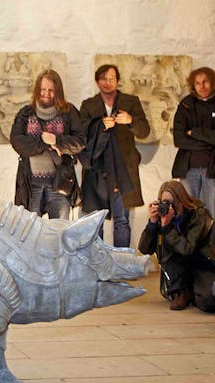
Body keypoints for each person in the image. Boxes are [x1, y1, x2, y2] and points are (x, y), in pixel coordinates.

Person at [80, 64, 150, 247]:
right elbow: (82, 133)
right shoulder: (88, 105)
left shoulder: (131, 101)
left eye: (111, 78)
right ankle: (99, 264)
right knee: (97, 222)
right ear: (97, 82)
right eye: (103, 78)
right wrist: (100, 125)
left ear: (117, 81)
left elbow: (144, 131)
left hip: (123, 170)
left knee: (122, 220)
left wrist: (131, 121)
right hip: (97, 171)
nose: (107, 82)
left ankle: (122, 264)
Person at [10, 69, 85, 219]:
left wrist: (57, 141)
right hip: (31, 184)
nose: (46, 93)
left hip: (60, 184)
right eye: (43, 89)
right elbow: (17, 141)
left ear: (58, 91)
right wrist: (44, 143)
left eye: (51, 90)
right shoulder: (26, 112)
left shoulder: (69, 112)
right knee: (30, 233)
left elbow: (80, 142)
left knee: (58, 232)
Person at [138, 181, 215, 312]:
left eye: (171, 202)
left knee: (207, 303)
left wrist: (168, 227)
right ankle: (180, 291)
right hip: (176, 268)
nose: (168, 207)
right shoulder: (163, 217)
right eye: (164, 202)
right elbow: (145, 249)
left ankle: (192, 290)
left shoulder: (197, 214)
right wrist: (152, 223)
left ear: (181, 201)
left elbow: (187, 249)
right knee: (166, 242)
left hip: (200, 263)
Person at [172, 66, 215, 218]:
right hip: (188, 168)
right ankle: (191, 243)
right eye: (197, 83)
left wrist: (195, 133)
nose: (202, 86)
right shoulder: (186, 105)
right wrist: (209, 142)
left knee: (213, 212)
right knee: (188, 212)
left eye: (205, 82)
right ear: (193, 85)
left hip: (213, 169)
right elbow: (179, 139)